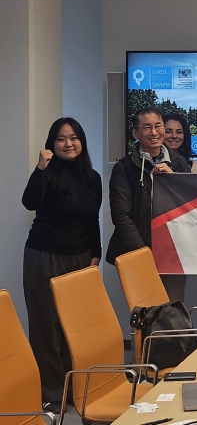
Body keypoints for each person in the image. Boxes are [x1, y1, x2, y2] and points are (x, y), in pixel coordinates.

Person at [22, 117, 102, 412]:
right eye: (61, 139)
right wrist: (40, 169)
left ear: (82, 141)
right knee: (47, 327)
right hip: (44, 256)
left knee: (75, 327)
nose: (68, 144)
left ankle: (73, 388)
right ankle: (51, 394)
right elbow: (29, 202)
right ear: (51, 144)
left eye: (74, 138)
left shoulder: (92, 177)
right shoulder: (47, 174)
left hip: (80, 258)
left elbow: (92, 218)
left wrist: (96, 253)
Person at [106, 107, 191, 301]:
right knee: (146, 311)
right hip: (138, 253)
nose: (154, 132)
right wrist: (142, 254)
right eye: (147, 127)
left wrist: (174, 178)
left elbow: (189, 205)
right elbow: (121, 216)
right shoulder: (124, 168)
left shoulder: (179, 163)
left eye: (158, 126)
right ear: (136, 133)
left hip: (172, 252)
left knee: (173, 309)